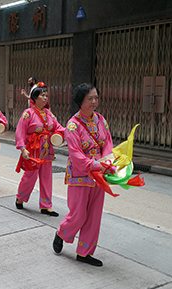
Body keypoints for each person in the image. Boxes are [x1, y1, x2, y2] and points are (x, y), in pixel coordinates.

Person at [53, 83, 114, 267]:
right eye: (90, 98)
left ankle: (85, 252)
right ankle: (62, 232)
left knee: (94, 215)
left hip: (99, 175)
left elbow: (108, 143)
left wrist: (108, 162)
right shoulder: (72, 126)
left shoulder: (101, 120)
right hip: (80, 175)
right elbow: (76, 155)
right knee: (78, 214)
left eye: (96, 97)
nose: (94, 102)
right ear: (80, 101)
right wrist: (97, 165)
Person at [15, 82, 65, 216]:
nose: (45, 98)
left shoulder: (49, 113)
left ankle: (46, 205)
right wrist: (22, 148)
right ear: (35, 97)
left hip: (47, 150)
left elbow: (58, 127)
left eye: (46, 96)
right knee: (30, 176)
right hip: (33, 149)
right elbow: (20, 131)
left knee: (47, 177)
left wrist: (66, 133)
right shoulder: (28, 113)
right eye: (42, 95)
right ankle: (20, 197)